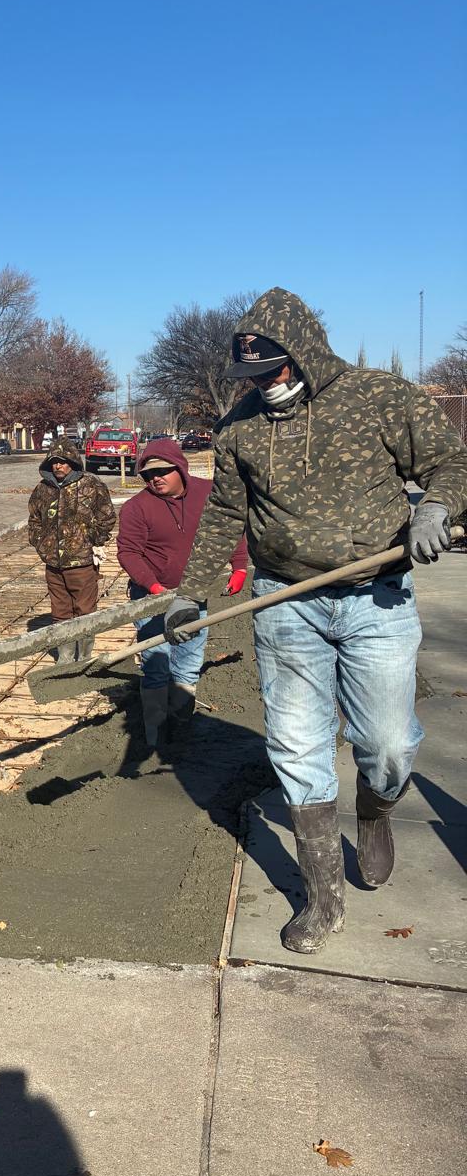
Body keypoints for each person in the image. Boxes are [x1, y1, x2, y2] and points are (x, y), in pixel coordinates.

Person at [164, 289, 467, 953]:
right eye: (251, 376)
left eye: (271, 371)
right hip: (285, 602)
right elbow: (222, 517)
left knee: (387, 746)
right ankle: (322, 901)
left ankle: (376, 807)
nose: (262, 386)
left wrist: (435, 508)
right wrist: (192, 593)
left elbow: (454, 462)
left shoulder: (378, 399)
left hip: (376, 598)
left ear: (301, 353)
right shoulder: (239, 426)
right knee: (297, 749)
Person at [116, 437, 248, 752]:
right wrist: (155, 588)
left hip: (194, 591)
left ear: (181, 468)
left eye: (162, 471)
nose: (155, 479)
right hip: (151, 596)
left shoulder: (208, 494)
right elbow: (128, 553)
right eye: (148, 475)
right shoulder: (137, 507)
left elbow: (228, 528)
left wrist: (240, 565)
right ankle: (155, 734)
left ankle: (181, 724)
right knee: (156, 660)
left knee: (188, 658)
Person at [27, 439, 116, 656]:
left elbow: (107, 516)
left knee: (85, 611)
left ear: (73, 462)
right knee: (60, 612)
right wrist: (41, 543)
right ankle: (65, 658)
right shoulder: (43, 490)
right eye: (54, 462)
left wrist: (92, 540)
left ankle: (84, 657)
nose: (58, 466)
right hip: (54, 565)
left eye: (63, 462)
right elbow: (34, 520)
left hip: (82, 563)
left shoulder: (91, 485)